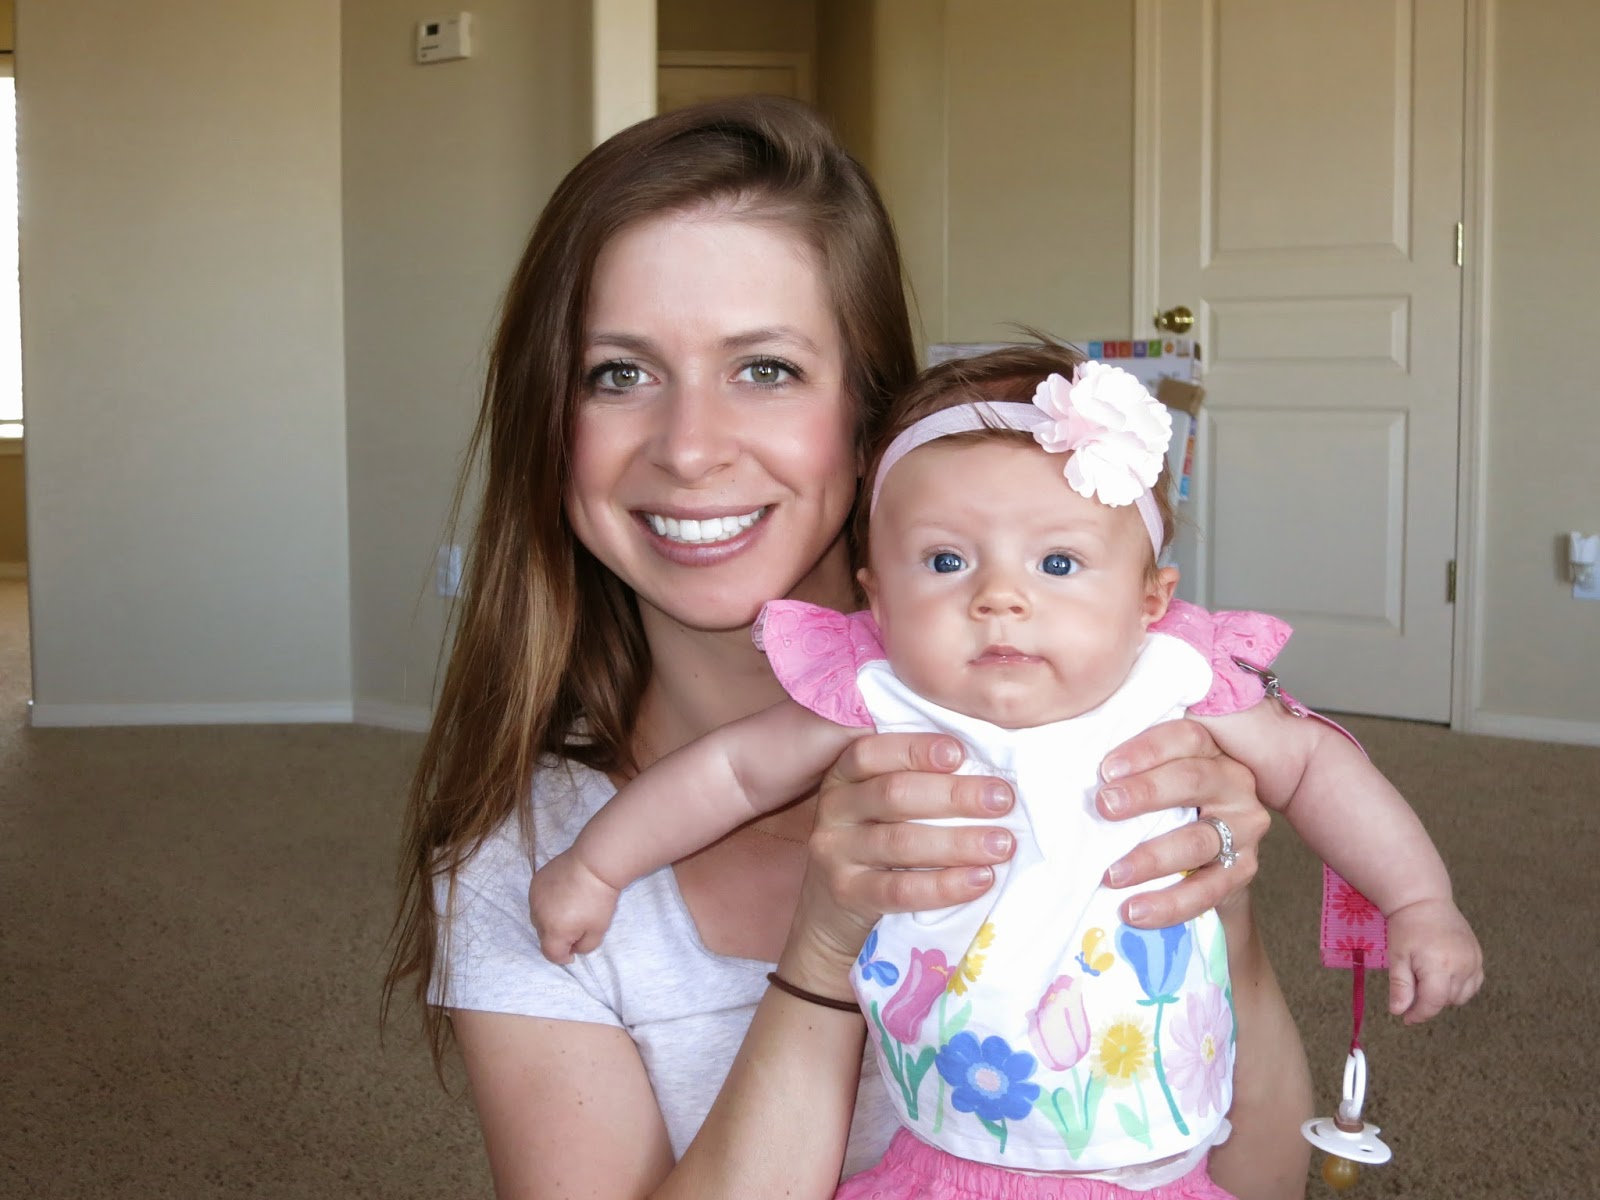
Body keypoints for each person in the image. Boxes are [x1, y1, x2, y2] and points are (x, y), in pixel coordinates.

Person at [385, 96, 1315, 1200]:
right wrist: (824, 957)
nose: (689, 449)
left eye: (765, 369)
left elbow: (1259, 1182)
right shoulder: (526, 860)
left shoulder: (1103, 729)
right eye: (619, 373)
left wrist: (1218, 912)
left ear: (874, 418)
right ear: (552, 423)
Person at [529, 343, 1484, 1198]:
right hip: (946, 1149)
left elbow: (1314, 764)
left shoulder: (1174, 679)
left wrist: (1418, 900)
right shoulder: (884, 692)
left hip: (1167, 1142)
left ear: (1151, 601)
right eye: (946, 560)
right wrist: (598, 866)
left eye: (1058, 564)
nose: (999, 598)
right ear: (876, 597)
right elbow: (731, 774)